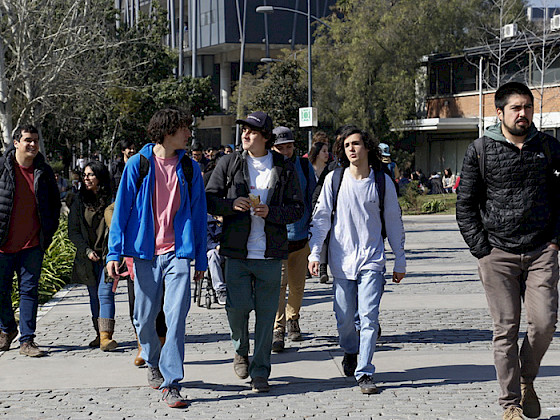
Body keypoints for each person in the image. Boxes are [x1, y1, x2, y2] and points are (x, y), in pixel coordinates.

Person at [456, 82, 560, 420]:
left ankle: (527, 379)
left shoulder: (548, 147)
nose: (523, 114)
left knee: (544, 323)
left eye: (527, 107)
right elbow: (465, 205)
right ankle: (510, 404)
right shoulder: (481, 150)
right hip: (497, 253)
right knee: (506, 328)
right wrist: (481, 250)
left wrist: (556, 240)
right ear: (499, 112)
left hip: (542, 248)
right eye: (516, 108)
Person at [106, 107, 207, 409]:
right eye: (184, 128)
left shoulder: (191, 169)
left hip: (178, 253)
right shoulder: (139, 164)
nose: (189, 133)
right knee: (144, 317)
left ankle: (171, 382)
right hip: (144, 253)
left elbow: (199, 217)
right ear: (168, 131)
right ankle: (152, 359)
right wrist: (114, 251)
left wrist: (200, 259)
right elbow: (121, 211)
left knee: (175, 318)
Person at [205, 111, 304, 393]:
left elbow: (297, 208)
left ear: (265, 137)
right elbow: (209, 199)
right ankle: (240, 350)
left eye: (252, 131)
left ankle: (260, 371)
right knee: (236, 309)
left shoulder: (284, 168)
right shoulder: (229, 163)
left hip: (270, 254)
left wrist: (271, 212)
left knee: (265, 315)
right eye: (244, 130)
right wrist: (231, 204)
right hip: (236, 253)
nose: (245, 135)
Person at [308, 126, 406, 394]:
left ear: (367, 148)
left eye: (357, 144)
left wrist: (400, 259)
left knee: (368, 318)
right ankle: (350, 350)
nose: (352, 149)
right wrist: (315, 252)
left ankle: (364, 372)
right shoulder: (334, 180)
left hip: (372, 260)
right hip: (341, 262)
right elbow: (321, 219)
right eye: (347, 145)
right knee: (343, 320)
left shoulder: (382, 182)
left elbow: (394, 222)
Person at [0, 125, 61, 357]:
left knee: (29, 292)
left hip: (32, 245)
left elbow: (54, 205)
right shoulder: (2, 167)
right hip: (3, 244)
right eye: (28, 140)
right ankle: (7, 328)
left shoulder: (43, 171)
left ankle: (27, 340)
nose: (32, 145)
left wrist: (48, 232)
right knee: (1, 291)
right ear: (16, 142)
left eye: (35, 140)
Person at [270, 126, 317, 352]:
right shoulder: (268, 166)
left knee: (297, 286)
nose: (285, 151)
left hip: (301, 236)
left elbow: (313, 198)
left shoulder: (305, 167)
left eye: (288, 146)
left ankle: (293, 319)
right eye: (280, 147)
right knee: (279, 285)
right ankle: (277, 329)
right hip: (278, 237)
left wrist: (313, 230)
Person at [68, 161, 117, 351]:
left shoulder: (112, 200)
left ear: (100, 177)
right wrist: (86, 251)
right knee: (93, 296)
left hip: (108, 255)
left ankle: (106, 337)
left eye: (91, 175)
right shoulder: (78, 201)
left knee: (105, 294)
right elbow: (73, 231)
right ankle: (99, 333)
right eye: (85, 175)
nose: (86, 178)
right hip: (87, 257)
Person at [206, 214, 226, 305]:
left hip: (229, 249)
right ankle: (220, 289)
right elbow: (205, 240)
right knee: (213, 254)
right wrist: (216, 246)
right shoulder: (206, 219)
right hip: (213, 249)